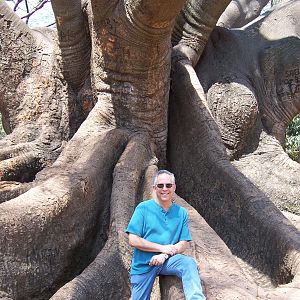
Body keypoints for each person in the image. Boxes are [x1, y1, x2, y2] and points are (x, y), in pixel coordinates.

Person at [126, 169, 206, 300]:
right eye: (160, 185)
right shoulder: (143, 208)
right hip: (143, 265)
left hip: (167, 261)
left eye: (168, 185)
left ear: (174, 187)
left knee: (188, 263)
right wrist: (162, 248)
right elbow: (133, 240)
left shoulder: (181, 213)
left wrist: (164, 255)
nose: (165, 189)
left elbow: (183, 243)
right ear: (154, 188)